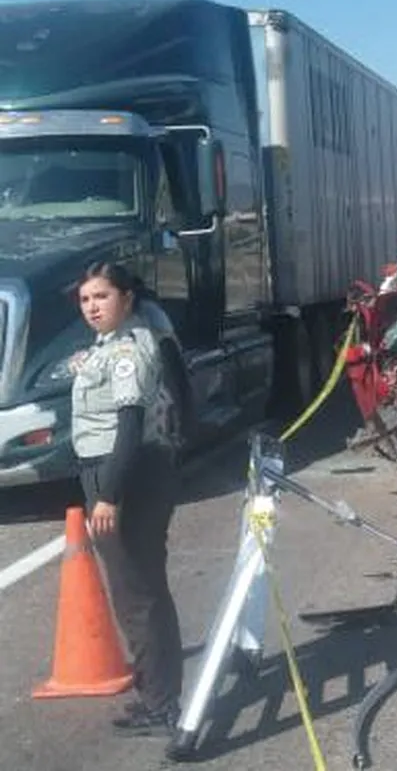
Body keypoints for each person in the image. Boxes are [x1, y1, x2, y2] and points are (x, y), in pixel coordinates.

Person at [69, 261, 184, 736]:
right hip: (122, 473)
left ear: (127, 299)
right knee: (141, 590)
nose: (93, 307)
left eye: (102, 297)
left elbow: (130, 427)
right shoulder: (113, 345)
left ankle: (162, 705)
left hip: (126, 478)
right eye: (86, 300)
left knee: (138, 596)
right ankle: (156, 691)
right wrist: (84, 362)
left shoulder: (127, 353)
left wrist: (109, 496)